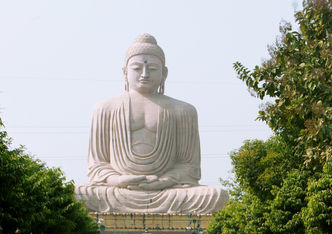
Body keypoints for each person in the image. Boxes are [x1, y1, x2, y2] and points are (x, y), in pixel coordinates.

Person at [74, 33, 227, 214]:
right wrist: (118, 180)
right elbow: (97, 165)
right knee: (76, 195)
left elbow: (189, 166)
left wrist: (165, 181)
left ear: (165, 73)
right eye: (137, 68)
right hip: (119, 191)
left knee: (217, 196)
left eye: (153, 69)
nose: (145, 74)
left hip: (168, 191)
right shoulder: (105, 108)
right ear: (125, 72)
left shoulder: (184, 110)